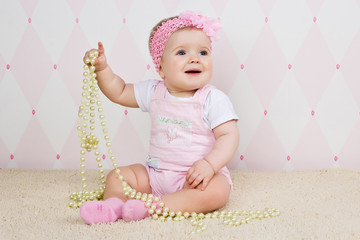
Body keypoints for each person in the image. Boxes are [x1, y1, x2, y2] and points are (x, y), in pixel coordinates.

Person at [80, 10, 239, 224]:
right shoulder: (154, 92)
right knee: (118, 177)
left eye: (203, 52)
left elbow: (229, 136)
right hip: (155, 174)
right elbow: (118, 91)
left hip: (198, 177)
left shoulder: (213, 99)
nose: (195, 58)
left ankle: (153, 207)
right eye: (182, 53)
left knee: (218, 191)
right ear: (161, 68)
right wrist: (102, 69)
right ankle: (113, 206)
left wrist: (209, 165)